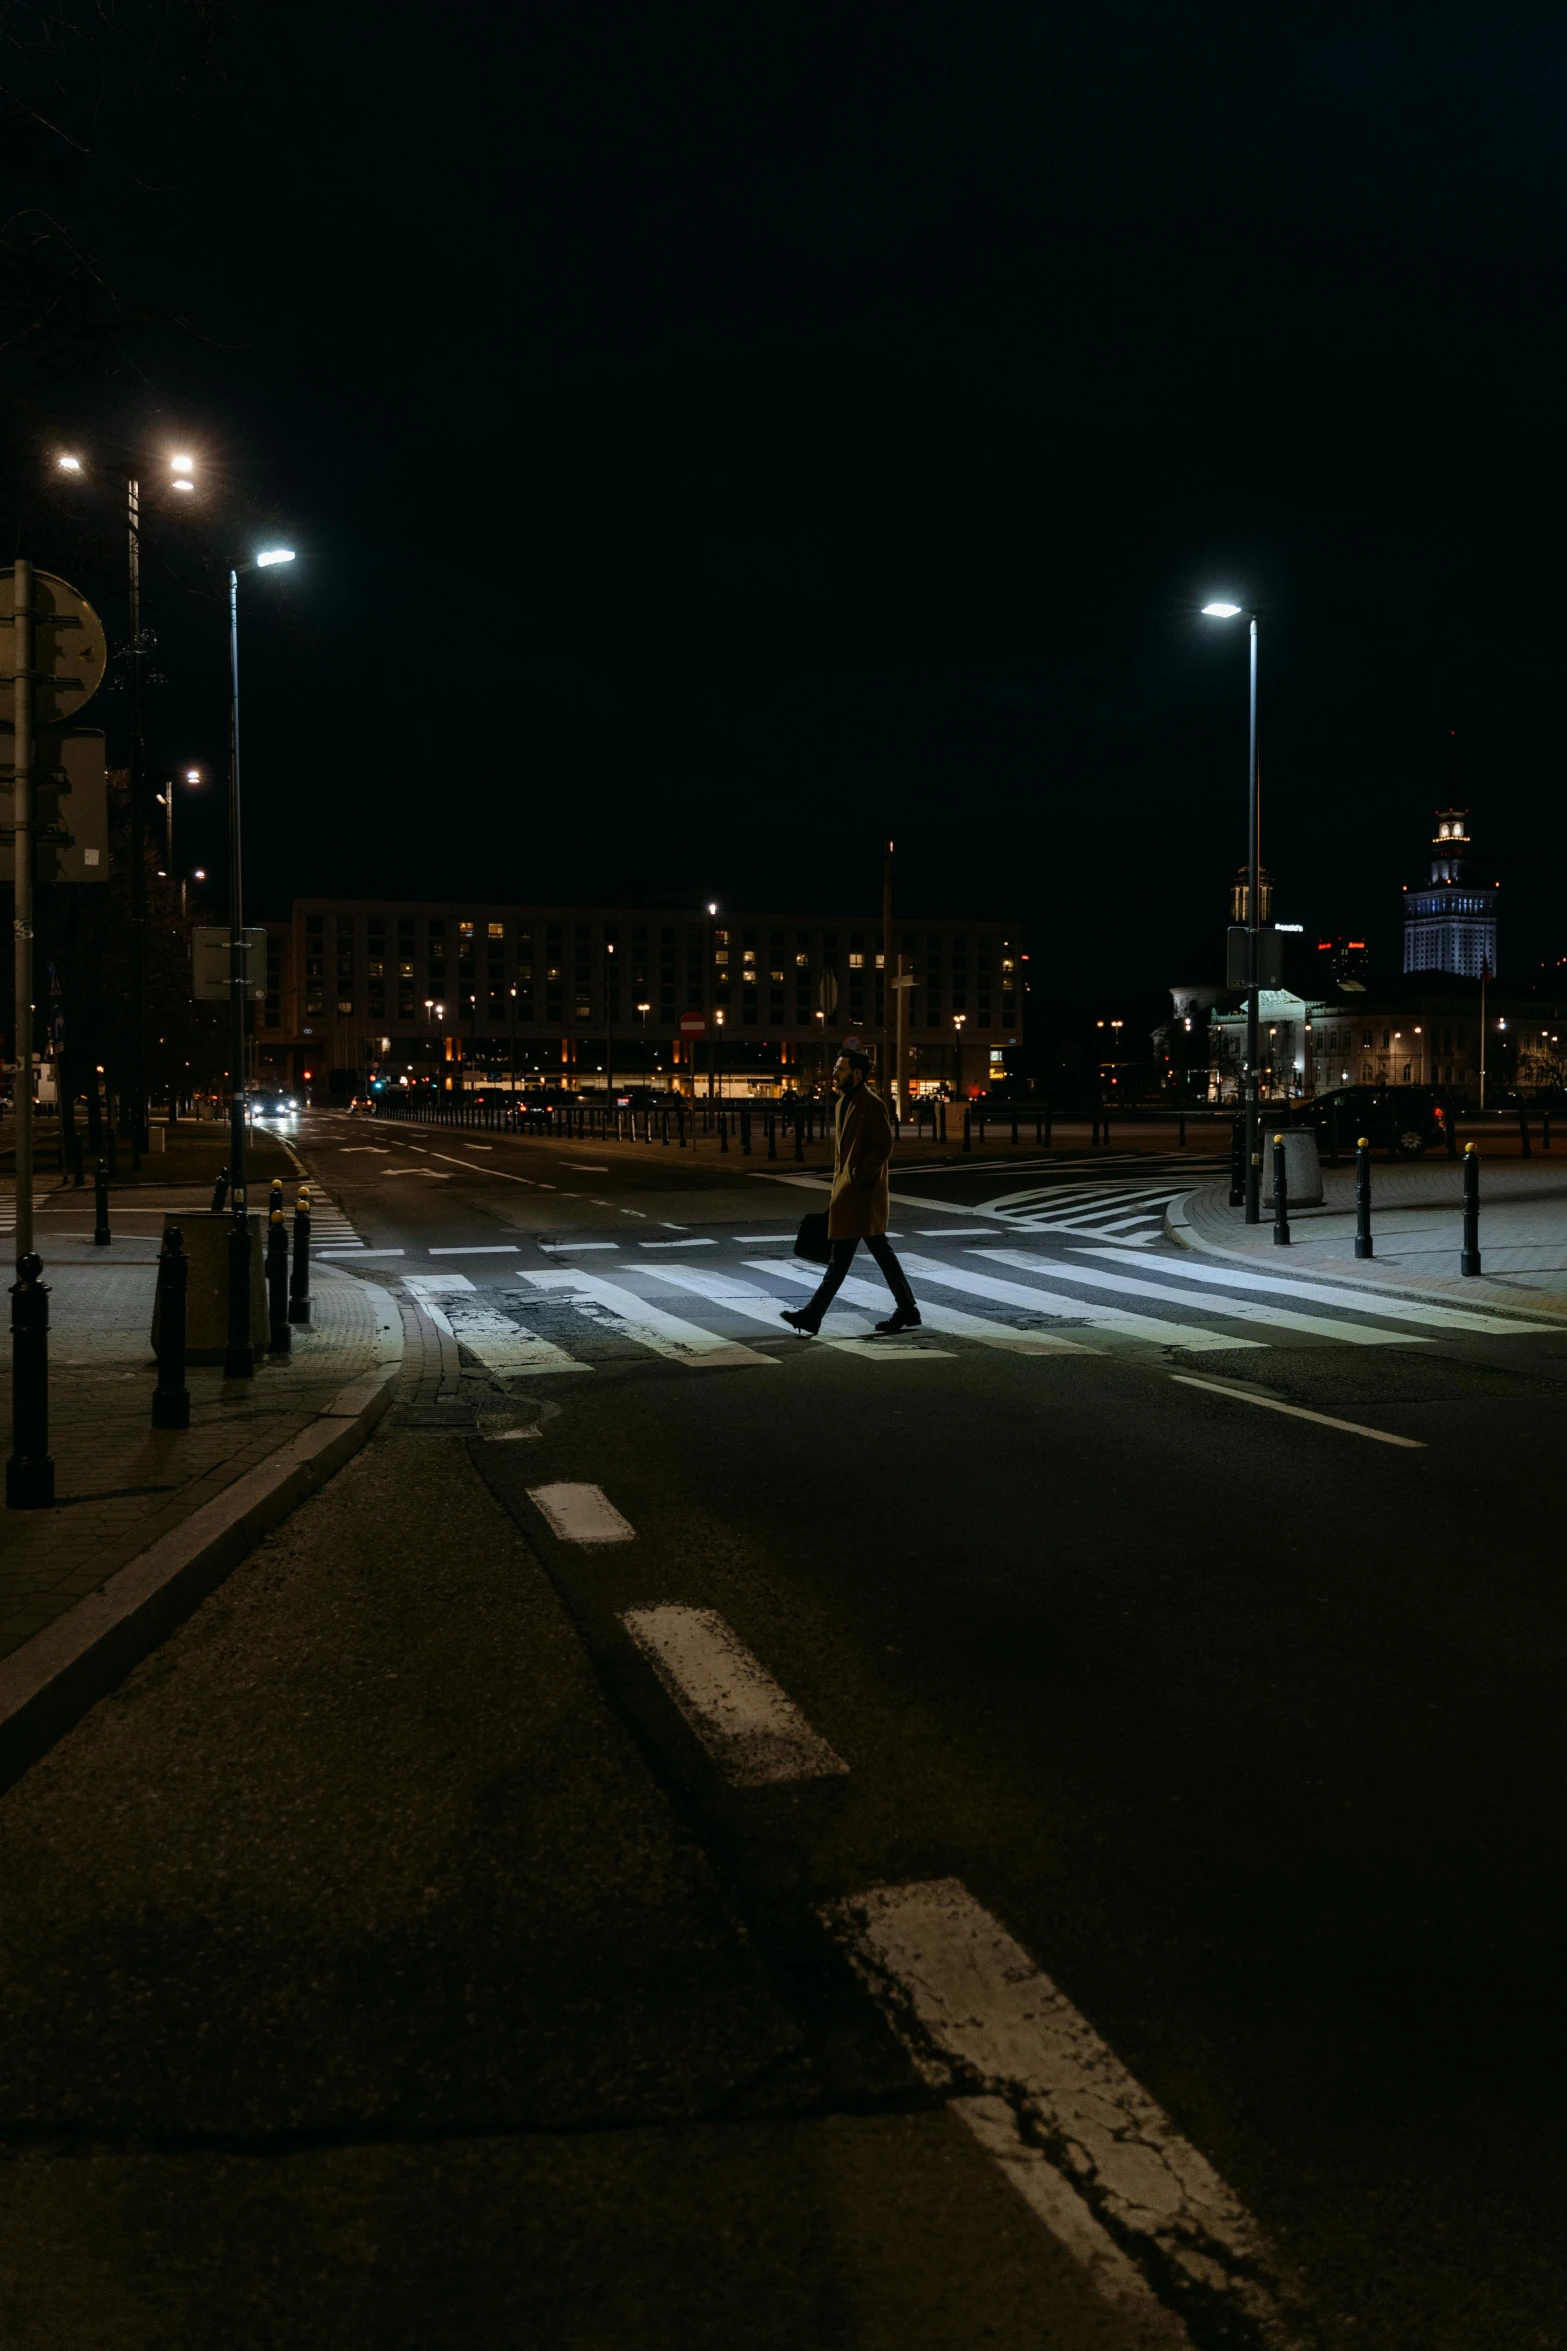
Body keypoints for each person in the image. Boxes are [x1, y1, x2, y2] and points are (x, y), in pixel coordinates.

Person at [782, 1043, 921, 1337]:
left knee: (840, 1261)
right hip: (850, 1193)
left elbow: (884, 1145)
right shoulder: (844, 1101)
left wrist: (859, 1174)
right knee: (878, 1255)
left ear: (857, 1073)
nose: (834, 1072)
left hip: (862, 1194)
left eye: (840, 1068)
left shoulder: (871, 1103)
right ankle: (907, 1308)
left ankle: (812, 1316)